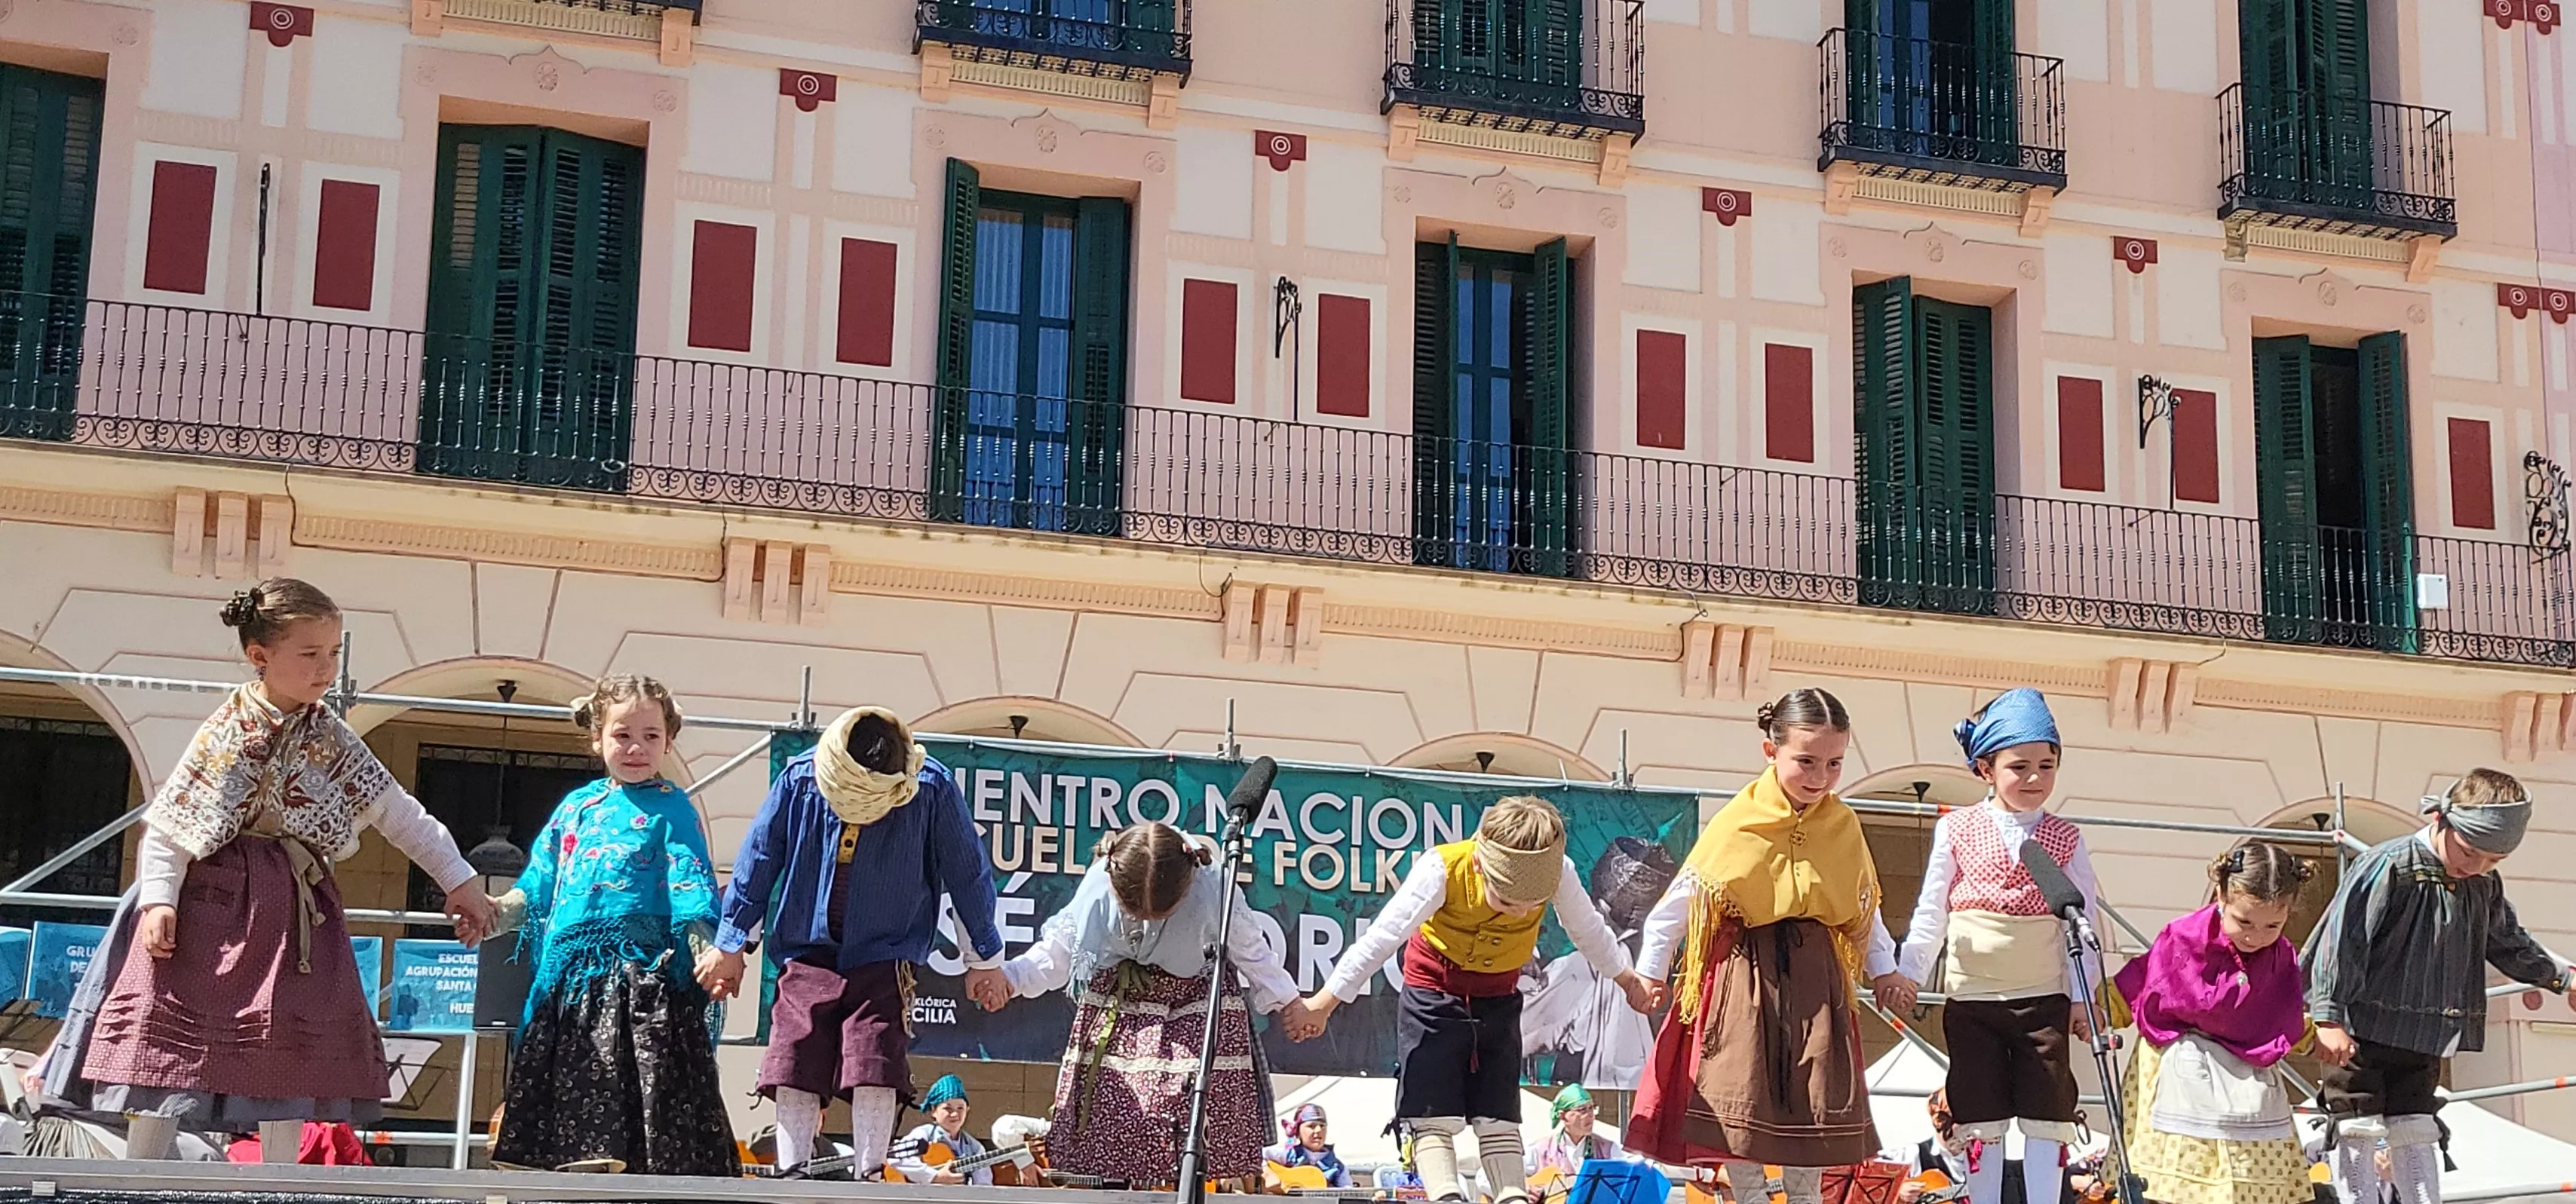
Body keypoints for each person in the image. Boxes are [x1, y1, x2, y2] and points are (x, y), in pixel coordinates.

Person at [63, 580, 495, 1163]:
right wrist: (160, 899)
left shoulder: (331, 739)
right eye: (309, 653)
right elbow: (172, 820)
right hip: (208, 907)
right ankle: (140, 1171)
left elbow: (397, 811)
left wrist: (458, 878)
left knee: (289, 1044)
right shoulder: (225, 732)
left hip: (295, 910)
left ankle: (278, 1179)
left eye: (334, 652)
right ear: (260, 656)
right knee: (167, 1040)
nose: (326, 667)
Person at [1283, 796, 1653, 1204]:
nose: (1522, 912)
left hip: (1498, 999)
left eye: (1533, 904)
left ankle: (1511, 1195)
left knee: (1498, 1113)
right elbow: (1381, 938)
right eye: (1509, 900)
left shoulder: (1558, 871)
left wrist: (1625, 977)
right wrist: (1324, 1001)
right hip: (1433, 995)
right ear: (1482, 864)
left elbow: (1589, 931)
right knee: (1430, 1113)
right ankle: (1446, 1196)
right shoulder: (1443, 868)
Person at [697, 705, 1010, 1180]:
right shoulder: (801, 777)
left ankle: (870, 1172)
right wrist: (732, 943)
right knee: (795, 1051)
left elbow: (967, 873)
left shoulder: (930, 787)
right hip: (807, 946)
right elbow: (758, 858)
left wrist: (983, 959)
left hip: (888, 950)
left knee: (876, 1054)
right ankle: (792, 1169)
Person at [1628, 688, 1909, 1204]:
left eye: (1834, 763)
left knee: (1815, 1099)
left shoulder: (1843, 825)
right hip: (1745, 975)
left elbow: (1862, 907)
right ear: (1770, 751)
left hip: (1818, 978)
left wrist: (1886, 969)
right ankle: (1752, 1198)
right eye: (1806, 760)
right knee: (1745, 1093)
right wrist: (1650, 970)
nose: (1820, 776)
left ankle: (1806, 1199)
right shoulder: (1739, 820)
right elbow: (1681, 902)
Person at [486, 676, 737, 1176]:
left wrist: (709, 948)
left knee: (648, 1131)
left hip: (642, 989)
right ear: (597, 737)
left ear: (668, 740)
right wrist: (493, 910)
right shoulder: (575, 808)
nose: (637, 747)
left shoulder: (674, 808)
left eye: (651, 735)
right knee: (569, 1141)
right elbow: (538, 882)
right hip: (571, 991)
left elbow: (690, 883)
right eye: (623, 734)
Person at [2305, 768, 2576, 1204]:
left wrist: (2562, 979)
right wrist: (2328, 1016)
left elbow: (2508, 941)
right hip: (2360, 1031)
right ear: (2440, 821)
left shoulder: (2482, 883)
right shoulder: (2387, 864)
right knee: (2357, 1129)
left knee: (2416, 1132)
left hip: (2425, 1034)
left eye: (2494, 861)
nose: (2478, 868)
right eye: (2470, 852)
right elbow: (2344, 940)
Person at [1891, 689, 2103, 1204]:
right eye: (2019, 765)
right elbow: (1932, 910)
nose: (2034, 778)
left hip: (2043, 1000)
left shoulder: (2065, 837)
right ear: (1985, 768)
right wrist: (1908, 973)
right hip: (1975, 1001)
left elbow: (2085, 919)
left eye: (2046, 765)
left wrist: (2082, 996)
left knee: (2048, 1114)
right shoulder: (1956, 828)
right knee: (1979, 1115)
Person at [1002, 821, 1303, 1184]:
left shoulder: (1212, 885)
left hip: (1195, 1004)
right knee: (1121, 1111)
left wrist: (1289, 1001)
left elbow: (1252, 951)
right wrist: (1011, 979)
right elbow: (1062, 950)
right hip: (1120, 1011)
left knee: (1187, 1105)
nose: (1145, 922)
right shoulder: (1101, 880)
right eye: (1133, 910)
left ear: (1185, 887)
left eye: (1160, 913)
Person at [2110, 840, 2314, 1204]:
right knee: (2170, 1191)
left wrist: (2314, 1037)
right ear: (2221, 894)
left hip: (2246, 1078)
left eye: (2272, 925)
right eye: (2244, 922)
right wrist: (2097, 1009)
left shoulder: (2280, 953)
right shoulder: (2183, 936)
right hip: (2174, 1072)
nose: (2255, 936)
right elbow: (2144, 980)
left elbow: (2283, 1010)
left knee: (2245, 1185)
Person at [1523, 837, 1679, 1089]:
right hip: (1657, 1094)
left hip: (1591, 1099)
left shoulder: (1579, 967)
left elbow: (1521, 1032)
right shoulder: (1674, 966)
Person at [1891, 1090, 2065, 1204]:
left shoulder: (1989, 1155)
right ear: (1939, 1122)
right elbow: (1867, 1175)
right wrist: (1898, 1191)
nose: (1970, 1130)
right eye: (1962, 1122)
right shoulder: (1913, 1155)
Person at [891, 1074, 990, 1184]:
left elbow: (984, 1184)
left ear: (968, 1110)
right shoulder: (924, 1135)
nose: (955, 1114)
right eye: (948, 1108)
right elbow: (895, 1157)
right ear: (934, 1110)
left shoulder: (974, 1148)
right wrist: (934, 1176)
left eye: (960, 1108)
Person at [1526, 1083, 1627, 1181]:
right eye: (1582, 1110)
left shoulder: (1608, 1149)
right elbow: (1517, 1180)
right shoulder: (1540, 1149)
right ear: (1563, 1116)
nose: (1590, 1116)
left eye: (1592, 1109)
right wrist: (1529, 1188)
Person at [1265, 1103, 1353, 1190]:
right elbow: (1255, 1155)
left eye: (1322, 1126)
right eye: (1311, 1126)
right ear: (1298, 1132)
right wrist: (1268, 1174)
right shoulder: (1289, 1155)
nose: (1318, 1130)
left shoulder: (1338, 1168)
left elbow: (1348, 1195)